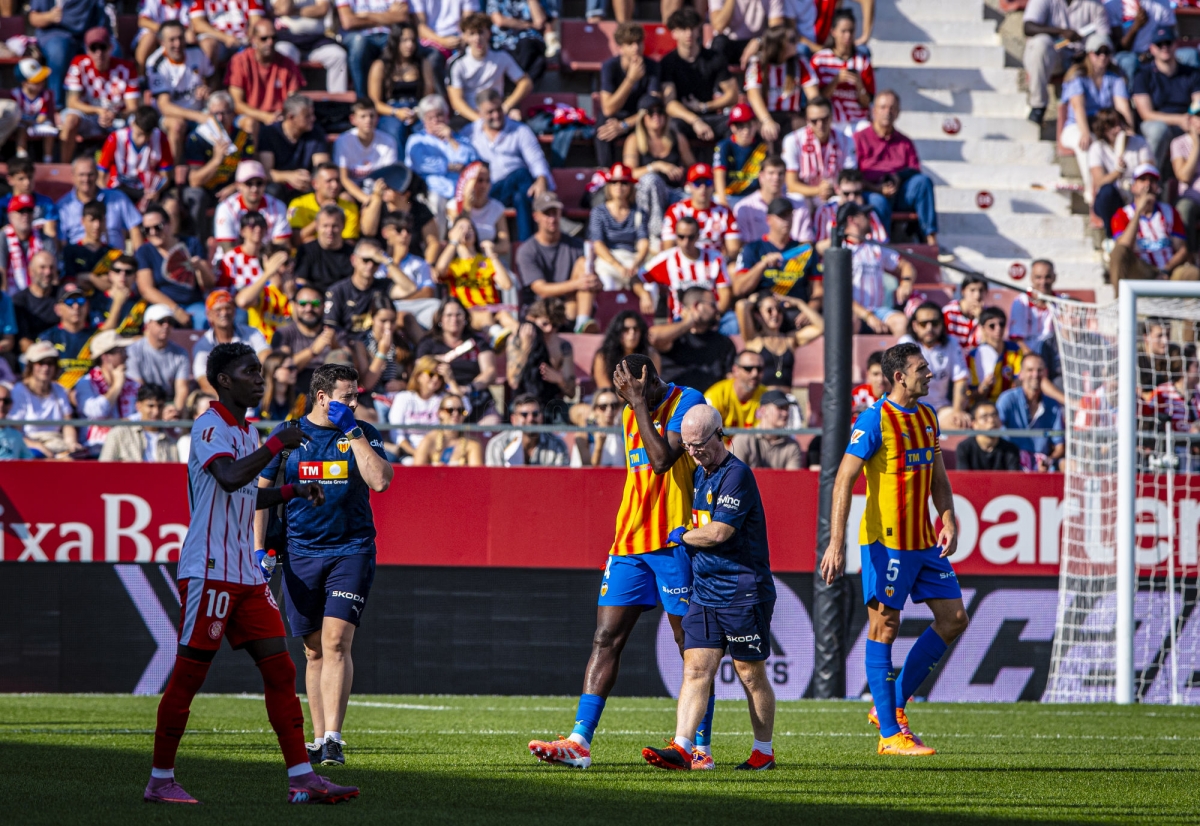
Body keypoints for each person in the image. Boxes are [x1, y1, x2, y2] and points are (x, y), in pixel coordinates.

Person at [143, 342, 356, 805]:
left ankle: (302, 777)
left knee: (280, 671)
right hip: (210, 570)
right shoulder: (208, 425)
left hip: (244, 572)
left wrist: (292, 491)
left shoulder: (247, 430)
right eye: (249, 371)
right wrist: (279, 444)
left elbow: (245, 495)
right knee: (189, 676)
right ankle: (160, 780)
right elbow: (228, 478)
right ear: (224, 380)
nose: (260, 378)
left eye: (260, 370)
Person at [527, 355, 706, 769]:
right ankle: (579, 741)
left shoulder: (687, 400)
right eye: (624, 390)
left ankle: (698, 747)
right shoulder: (629, 412)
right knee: (605, 639)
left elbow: (662, 462)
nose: (628, 396)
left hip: (675, 540)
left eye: (635, 386)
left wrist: (640, 404)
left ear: (651, 378)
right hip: (628, 542)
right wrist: (636, 405)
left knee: (691, 647)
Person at [821, 342, 969, 757]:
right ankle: (890, 733)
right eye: (922, 369)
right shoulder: (873, 420)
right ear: (899, 376)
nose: (930, 374)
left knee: (954, 618)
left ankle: (889, 705)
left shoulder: (927, 415)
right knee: (885, 626)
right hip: (886, 544)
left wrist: (948, 518)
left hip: (923, 541)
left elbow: (937, 475)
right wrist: (836, 544)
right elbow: (843, 480)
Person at [257, 362, 392, 766]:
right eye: (347, 395)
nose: (354, 401)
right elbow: (261, 492)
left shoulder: (362, 432)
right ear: (322, 396)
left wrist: (352, 428)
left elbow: (381, 481)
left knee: (336, 642)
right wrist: (257, 549)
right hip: (300, 553)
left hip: (351, 549)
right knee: (312, 650)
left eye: (356, 395)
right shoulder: (289, 433)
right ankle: (317, 738)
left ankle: (334, 737)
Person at [642, 403, 776, 772]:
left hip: (742, 589)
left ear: (720, 435)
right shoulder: (700, 471)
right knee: (696, 668)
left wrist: (682, 535)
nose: (692, 452)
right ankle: (683, 747)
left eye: (699, 444)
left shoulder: (737, 475)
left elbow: (720, 532)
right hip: (706, 589)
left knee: (751, 673)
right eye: (687, 446)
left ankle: (763, 751)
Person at [855, 90, 943, 256]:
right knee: (877, 202)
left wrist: (897, 178)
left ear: (898, 112)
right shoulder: (859, 139)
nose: (887, 112)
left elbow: (914, 169)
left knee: (923, 182)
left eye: (892, 108)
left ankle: (931, 240)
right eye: (883, 107)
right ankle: (884, 248)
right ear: (874, 111)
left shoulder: (905, 141)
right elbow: (853, 174)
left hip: (900, 193)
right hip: (871, 191)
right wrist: (877, 188)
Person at [465, 90, 553, 242]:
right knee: (521, 174)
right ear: (479, 113)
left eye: (499, 109)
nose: (497, 115)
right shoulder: (470, 133)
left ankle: (525, 245)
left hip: (514, 191)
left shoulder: (520, 130)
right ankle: (541, 216)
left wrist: (541, 179)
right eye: (490, 112)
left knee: (522, 196)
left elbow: (535, 157)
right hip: (487, 190)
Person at [1060, 33, 1133, 202]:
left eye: (1106, 52)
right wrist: (1085, 132)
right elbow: (1078, 107)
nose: (1103, 56)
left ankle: (1124, 193)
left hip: (1104, 128)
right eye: (1098, 52)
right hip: (1076, 126)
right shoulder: (1077, 76)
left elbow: (1123, 108)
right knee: (1088, 144)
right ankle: (1092, 193)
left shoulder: (1115, 78)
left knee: (1123, 141)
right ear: (1089, 53)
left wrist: (1129, 130)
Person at [1109, 163, 1200, 292]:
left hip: (1168, 270)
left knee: (1192, 273)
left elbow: (1182, 249)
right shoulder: (1122, 215)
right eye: (1142, 180)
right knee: (1118, 252)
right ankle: (1120, 306)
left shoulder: (1170, 212)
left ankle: (1187, 312)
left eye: (1152, 181)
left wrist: (1166, 270)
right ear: (1133, 187)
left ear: (1157, 187)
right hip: (1141, 270)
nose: (1147, 185)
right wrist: (1139, 211)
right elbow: (1124, 247)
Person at [182, 92, 257, 242]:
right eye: (216, 114)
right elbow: (194, 181)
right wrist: (216, 160)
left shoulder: (242, 137)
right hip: (206, 190)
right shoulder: (197, 138)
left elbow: (250, 173)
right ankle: (198, 244)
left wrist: (236, 187)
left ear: (233, 114)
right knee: (194, 195)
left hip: (232, 189)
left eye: (225, 113)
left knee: (253, 191)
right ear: (208, 115)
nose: (220, 119)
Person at [515, 193, 597, 328]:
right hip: (541, 308)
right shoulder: (526, 251)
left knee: (584, 263)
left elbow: (590, 281)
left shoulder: (576, 245)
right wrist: (577, 283)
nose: (552, 219)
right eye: (547, 214)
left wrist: (595, 282)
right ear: (536, 217)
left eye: (555, 213)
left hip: (571, 306)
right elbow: (541, 289)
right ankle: (579, 325)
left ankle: (582, 324)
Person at [59, 27, 141, 162]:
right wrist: (98, 111)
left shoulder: (127, 68)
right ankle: (63, 166)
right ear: (87, 50)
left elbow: (133, 107)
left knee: (137, 122)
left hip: (116, 119)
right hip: (88, 117)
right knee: (70, 120)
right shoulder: (79, 64)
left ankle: (133, 166)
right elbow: (72, 102)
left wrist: (115, 114)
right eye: (93, 48)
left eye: (102, 47)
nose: (99, 53)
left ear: (111, 48)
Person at [1022, 0, 1110, 125]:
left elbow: (1104, 37)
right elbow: (1028, 27)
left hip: (1084, 60)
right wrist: (1061, 31)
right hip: (1054, 58)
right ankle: (1038, 106)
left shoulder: (1095, 5)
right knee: (1040, 44)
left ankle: (1105, 112)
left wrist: (1088, 54)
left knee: (1103, 50)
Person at [660, 6, 739, 143]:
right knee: (673, 126)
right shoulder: (668, 63)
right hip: (684, 119)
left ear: (698, 30)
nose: (688, 33)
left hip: (710, 116)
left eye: (692, 28)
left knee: (734, 124)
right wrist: (695, 120)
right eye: (683, 29)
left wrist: (704, 106)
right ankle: (684, 164)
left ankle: (726, 163)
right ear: (674, 33)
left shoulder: (714, 58)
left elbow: (733, 95)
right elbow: (669, 103)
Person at [434, 215, 517, 343]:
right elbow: (439, 270)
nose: (466, 231)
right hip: (466, 313)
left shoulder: (486, 261)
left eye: (470, 228)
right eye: (461, 228)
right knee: (486, 316)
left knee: (513, 324)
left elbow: (506, 285)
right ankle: (495, 336)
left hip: (493, 310)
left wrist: (492, 254)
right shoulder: (453, 264)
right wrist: (453, 242)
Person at [414, 298, 500, 421]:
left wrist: (469, 388)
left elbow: (490, 372)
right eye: (449, 315)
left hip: (475, 396)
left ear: (465, 318)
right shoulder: (428, 343)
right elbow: (420, 367)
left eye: (458, 314)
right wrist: (440, 361)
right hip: (439, 399)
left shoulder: (477, 342)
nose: (454, 319)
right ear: (440, 319)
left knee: (492, 422)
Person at [627, 96, 697, 246]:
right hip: (645, 194)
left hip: (674, 191)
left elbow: (693, 167)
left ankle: (692, 239)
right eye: (651, 113)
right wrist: (656, 166)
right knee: (652, 180)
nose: (656, 116)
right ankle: (655, 235)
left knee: (696, 193)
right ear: (642, 117)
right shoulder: (634, 140)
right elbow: (629, 174)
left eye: (660, 112)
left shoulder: (676, 138)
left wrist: (689, 179)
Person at [1131, 25, 1200, 174]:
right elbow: (1146, 114)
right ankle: (1150, 179)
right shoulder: (1143, 75)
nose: (1164, 47)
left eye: (1168, 43)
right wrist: (1180, 119)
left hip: (1186, 124)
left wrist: (1194, 119)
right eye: (1159, 44)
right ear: (1152, 48)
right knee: (1158, 130)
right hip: (1156, 126)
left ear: (1175, 44)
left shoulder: (1191, 73)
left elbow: (1198, 103)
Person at [641, 215, 733, 325]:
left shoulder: (715, 259)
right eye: (681, 237)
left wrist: (713, 315)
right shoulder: (666, 259)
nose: (686, 242)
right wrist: (644, 294)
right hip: (681, 320)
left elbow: (725, 293)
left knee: (733, 323)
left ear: (698, 236)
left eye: (691, 237)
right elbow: (637, 277)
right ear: (675, 236)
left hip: (712, 317)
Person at [135, 205, 214, 331]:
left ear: (169, 224)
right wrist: (176, 310)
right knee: (158, 327)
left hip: (193, 304)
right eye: (146, 230)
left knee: (205, 321)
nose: (153, 232)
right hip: (162, 306)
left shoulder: (191, 244)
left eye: (158, 227)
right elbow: (146, 289)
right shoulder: (144, 251)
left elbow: (209, 283)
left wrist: (201, 268)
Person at [146, 21, 214, 164]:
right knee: (177, 125)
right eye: (172, 40)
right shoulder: (156, 63)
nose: (177, 44)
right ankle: (176, 174)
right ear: (161, 42)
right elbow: (164, 106)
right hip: (169, 116)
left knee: (221, 114)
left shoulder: (196, 52)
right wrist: (198, 116)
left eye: (180, 38)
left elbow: (213, 78)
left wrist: (208, 89)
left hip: (199, 110)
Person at [731, 196, 821, 305]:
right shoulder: (752, 249)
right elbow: (738, 289)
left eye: (789, 215)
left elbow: (818, 291)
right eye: (781, 215)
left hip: (796, 310)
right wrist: (762, 265)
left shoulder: (804, 250)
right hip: (765, 313)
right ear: (768, 220)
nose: (786, 220)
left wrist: (809, 310)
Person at [842, 202, 914, 337]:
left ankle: (899, 359)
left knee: (902, 322)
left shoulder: (875, 246)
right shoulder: (840, 250)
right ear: (851, 220)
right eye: (865, 215)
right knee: (849, 322)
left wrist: (906, 282)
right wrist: (867, 316)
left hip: (878, 310)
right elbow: (840, 294)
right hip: (852, 311)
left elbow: (906, 265)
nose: (870, 218)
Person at [596, 22, 661, 168]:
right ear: (620, 48)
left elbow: (653, 106)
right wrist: (630, 80)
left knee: (655, 119)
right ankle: (606, 172)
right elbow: (608, 108)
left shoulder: (652, 67)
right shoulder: (610, 67)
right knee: (603, 125)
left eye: (638, 43)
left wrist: (624, 125)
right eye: (630, 44)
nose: (635, 48)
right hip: (617, 116)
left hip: (640, 117)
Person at [405, 95, 480, 223]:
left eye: (439, 115)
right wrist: (449, 166)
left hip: (459, 191)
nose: (436, 120)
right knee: (436, 201)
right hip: (432, 190)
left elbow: (471, 161)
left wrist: (451, 139)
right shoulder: (417, 140)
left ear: (446, 116)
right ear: (424, 120)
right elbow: (422, 164)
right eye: (430, 118)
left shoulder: (460, 139)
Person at [447, 12, 532, 122]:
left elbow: (525, 83)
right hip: (468, 117)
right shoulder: (457, 64)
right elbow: (456, 101)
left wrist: (506, 106)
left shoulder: (502, 57)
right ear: (465, 37)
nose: (477, 38)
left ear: (489, 33)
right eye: (472, 34)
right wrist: (479, 120)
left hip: (496, 115)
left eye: (481, 32)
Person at [227, 19, 305, 139]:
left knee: (297, 121)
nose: (270, 42)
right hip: (249, 116)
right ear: (253, 39)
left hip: (279, 118)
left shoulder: (287, 63)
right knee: (250, 123)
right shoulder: (240, 61)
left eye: (274, 38)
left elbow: (293, 100)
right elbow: (236, 104)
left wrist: (281, 116)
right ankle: (251, 158)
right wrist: (265, 116)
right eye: (264, 39)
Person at [651, 286, 737, 392]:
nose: (717, 309)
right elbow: (652, 338)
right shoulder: (674, 337)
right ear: (696, 306)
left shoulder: (724, 342)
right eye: (713, 305)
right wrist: (687, 322)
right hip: (675, 402)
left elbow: (730, 377)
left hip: (710, 403)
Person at [900, 300, 970, 430]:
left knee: (962, 425)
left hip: (940, 408)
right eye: (923, 323)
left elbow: (960, 379)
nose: (929, 328)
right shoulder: (906, 344)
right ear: (915, 325)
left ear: (942, 324)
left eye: (935, 323)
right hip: (912, 407)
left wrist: (957, 411)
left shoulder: (952, 344)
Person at [28, 0, 110, 110]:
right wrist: (49, 16)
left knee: (111, 50)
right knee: (58, 52)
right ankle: (57, 108)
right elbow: (34, 18)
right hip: (56, 35)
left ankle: (111, 107)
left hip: (89, 34)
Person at [505, 297, 576, 423]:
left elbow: (571, 393)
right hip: (523, 403)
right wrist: (526, 347)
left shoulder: (562, 346)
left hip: (550, 403)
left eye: (554, 325)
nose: (549, 329)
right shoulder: (516, 341)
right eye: (544, 324)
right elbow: (514, 381)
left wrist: (559, 379)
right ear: (533, 320)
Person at [744, 26, 818, 144]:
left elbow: (813, 95)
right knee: (767, 132)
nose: (797, 43)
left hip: (792, 116)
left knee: (805, 130)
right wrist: (767, 120)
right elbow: (753, 95)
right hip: (765, 115)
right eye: (792, 40)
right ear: (779, 45)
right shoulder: (757, 64)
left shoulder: (800, 63)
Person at [735, 292, 824, 387]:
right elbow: (740, 305)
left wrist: (800, 303)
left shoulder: (790, 339)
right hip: (762, 398)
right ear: (758, 315)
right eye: (769, 310)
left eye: (779, 310)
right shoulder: (754, 339)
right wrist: (752, 301)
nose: (775, 314)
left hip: (786, 398)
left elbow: (822, 327)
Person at [588, 163, 652, 296]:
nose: (619, 186)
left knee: (651, 286)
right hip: (608, 259)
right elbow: (598, 244)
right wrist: (617, 266)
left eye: (624, 183)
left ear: (630, 187)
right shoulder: (599, 212)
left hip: (632, 257)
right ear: (608, 186)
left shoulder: (639, 212)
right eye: (614, 182)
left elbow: (643, 241)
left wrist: (636, 262)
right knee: (607, 284)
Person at [97, 105, 175, 212]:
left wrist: (157, 191)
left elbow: (165, 176)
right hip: (121, 188)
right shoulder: (116, 138)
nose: (142, 140)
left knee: (172, 206)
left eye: (147, 136)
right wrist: (106, 196)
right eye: (139, 134)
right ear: (132, 124)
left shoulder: (160, 138)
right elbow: (101, 176)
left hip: (149, 190)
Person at [193, 290, 272, 393]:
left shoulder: (252, 332)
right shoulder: (203, 344)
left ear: (234, 311)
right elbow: (203, 379)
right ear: (209, 315)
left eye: (228, 308)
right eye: (218, 309)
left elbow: (265, 356)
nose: (224, 313)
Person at [996, 354, 1066, 471]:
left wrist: (1048, 460)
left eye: (1039, 370)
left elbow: (1059, 446)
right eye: (1030, 370)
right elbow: (997, 433)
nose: (1035, 375)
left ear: (1046, 373)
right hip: (1011, 462)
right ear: (1021, 374)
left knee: (1068, 465)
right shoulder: (1006, 399)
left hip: (1043, 466)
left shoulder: (1053, 405)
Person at [56, 156, 143, 250]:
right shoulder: (63, 206)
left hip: (113, 259)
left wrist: (140, 261)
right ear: (73, 176)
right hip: (80, 260)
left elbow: (135, 229)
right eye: (81, 175)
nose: (86, 179)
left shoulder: (118, 198)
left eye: (90, 174)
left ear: (97, 175)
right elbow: (62, 243)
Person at [368, 22, 431, 151]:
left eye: (413, 40)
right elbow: (374, 102)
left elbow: (428, 97)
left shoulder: (423, 64)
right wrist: (396, 112)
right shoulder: (380, 66)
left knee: (422, 131)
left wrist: (418, 112)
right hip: (390, 110)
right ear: (395, 41)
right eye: (404, 40)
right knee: (395, 130)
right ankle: (400, 169)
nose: (410, 45)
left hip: (416, 109)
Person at [810, 9, 874, 135]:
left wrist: (859, 84)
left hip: (856, 121)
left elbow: (867, 102)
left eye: (851, 31)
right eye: (843, 31)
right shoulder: (820, 60)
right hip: (829, 121)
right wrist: (836, 81)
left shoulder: (863, 61)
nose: (848, 36)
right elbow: (815, 100)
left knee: (866, 130)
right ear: (833, 32)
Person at [324, 238, 404, 339]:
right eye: (365, 260)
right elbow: (330, 327)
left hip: (377, 341)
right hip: (349, 344)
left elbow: (410, 289)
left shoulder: (383, 285)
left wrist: (385, 260)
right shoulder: (337, 291)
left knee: (407, 317)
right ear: (353, 260)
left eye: (375, 261)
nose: (370, 265)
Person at [259, 95, 332, 205]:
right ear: (291, 117)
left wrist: (309, 179)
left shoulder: (316, 132)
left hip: (307, 184)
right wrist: (289, 176)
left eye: (312, 114)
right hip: (280, 186)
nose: (313, 118)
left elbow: (322, 167)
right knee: (272, 190)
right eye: (307, 116)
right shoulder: (269, 133)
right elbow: (266, 172)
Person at [12, 340, 79, 458]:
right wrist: (38, 446)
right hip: (29, 445)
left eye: (50, 363)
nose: (46, 367)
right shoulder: (19, 390)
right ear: (31, 366)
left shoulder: (59, 389)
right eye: (40, 363)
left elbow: (68, 424)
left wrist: (71, 443)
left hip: (56, 442)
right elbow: (15, 431)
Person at [783, 96, 857, 202]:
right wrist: (819, 190)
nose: (820, 124)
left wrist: (830, 190)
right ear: (807, 120)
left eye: (824, 119)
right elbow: (791, 185)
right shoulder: (792, 140)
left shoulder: (846, 141)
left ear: (831, 117)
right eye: (814, 121)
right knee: (796, 199)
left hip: (834, 194)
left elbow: (850, 178)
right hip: (805, 195)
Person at [272, 285, 344, 392]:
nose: (309, 309)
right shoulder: (283, 334)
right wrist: (312, 351)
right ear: (295, 306)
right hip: (294, 394)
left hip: (331, 393)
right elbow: (279, 371)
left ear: (324, 306)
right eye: (303, 304)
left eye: (315, 304)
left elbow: (353, 369)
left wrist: (335, 345)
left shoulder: (336, 333)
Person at [74, 328, 137, 447]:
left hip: (129, 445)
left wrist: (122, 423)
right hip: (96, 446)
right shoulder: (85, 383)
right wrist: (116, 386)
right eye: (121, 352)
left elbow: (143, 414)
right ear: (106, 357)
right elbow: (95, 413)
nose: (126, 356)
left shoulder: (132, 384)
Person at [662, 164, 740, 260]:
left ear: (713, 186)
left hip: (715, 263)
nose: (703, 188)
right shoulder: (675, 211)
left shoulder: (725, 213)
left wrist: (720, 261)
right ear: (689, 186)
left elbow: (733, 249)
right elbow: (668, 248)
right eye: (697, 183)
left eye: (707, 183)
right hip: (684, 264)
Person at [214, 160, 293, 254]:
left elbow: (280, 246)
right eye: (249, 183)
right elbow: (227, 249)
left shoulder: (278, 207)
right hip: (232, 263)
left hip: (266, 262)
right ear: (238, 185)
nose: (254, 188)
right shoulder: (225, 208)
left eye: (259, 183)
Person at [336, 0, 410, 99]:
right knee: (359, 43)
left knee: (398, 42)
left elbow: (401, 17)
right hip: (358, 37)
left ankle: (392, 99)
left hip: (387, 35)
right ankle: (362, 102)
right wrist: (387, 16)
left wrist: (366, 15)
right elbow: (349, 22)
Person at [273, 0, 349, 95]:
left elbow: (322, 9)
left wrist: (295, 11)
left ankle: (338, 104)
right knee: (284, 53)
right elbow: (284, 9)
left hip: (316, 40)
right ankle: (288, 101)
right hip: (288, 40)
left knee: (338, 55)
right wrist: (306, 11)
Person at [732, 154, 812, 243]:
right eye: (771, 173)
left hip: (793, 256)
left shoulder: (799, 207)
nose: (776, 178)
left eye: (780, 173)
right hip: (756, 255)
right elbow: (742, 245)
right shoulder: (744, 208)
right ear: (761, 176)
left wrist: (783, 256)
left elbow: (806, 243)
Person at [127, 304, 194, 410]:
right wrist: (154, 411)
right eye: (161, 321)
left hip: (168, 404)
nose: (166, 325)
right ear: (148, 324)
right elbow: (137, 388)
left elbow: (182, 389)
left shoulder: (181, 353)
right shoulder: (133, 351)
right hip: (143, 405)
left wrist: (174, 412)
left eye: (170, 322)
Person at [334, 98, 400, 206]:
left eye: (372, 116)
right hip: (353, 193)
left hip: (379, 192)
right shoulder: (343, 141)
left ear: (377, 118)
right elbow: (344, 178)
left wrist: (375, 198)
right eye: (363, 116)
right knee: (344, 198)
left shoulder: (388, 141)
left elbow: (389, 176)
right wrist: (364, 198)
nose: (368, 120)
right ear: (353, 119)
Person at [37, 282, 99, 390]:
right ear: (58, 309)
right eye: (70, 302)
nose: (76, 306)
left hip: (92, 393)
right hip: (58, 394)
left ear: (87, 306)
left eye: (81, 301)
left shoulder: (98, 337)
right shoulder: (47, 338)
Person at [100, 382, 182, 462]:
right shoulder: (119, 434)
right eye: (150, 406)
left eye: (160, 406)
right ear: (138, 406)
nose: (156, 411)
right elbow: (103, 469)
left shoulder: (171, 440)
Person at [814, 168, 889, 251]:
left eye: (857, 193)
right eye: (847, 193)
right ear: (837, 189)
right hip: (835, 260)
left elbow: (882, 245)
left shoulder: (868, 212)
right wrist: (844, 234)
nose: (852, 198)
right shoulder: (825, 211)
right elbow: (818, 248)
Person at [235, 241, 296, 342]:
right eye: (285, 263)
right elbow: (242, 301)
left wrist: (292, 297)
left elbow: (301, 324)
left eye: (291, 261)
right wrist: (268, 273)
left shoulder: (298, 290)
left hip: (290, 347)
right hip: (263, 348)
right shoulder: (262, 291)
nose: (290, 266)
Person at [484, 393, 569, 466]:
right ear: (513, 419)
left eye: (535, 414)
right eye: (524, 414)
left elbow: (561, 481)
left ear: (542, 417)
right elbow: (495, 481)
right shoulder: (498, 445)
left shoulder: (558, 445)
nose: (530, 419)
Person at [447, 161, 510, 256]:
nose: (484, 185)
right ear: (468, 183)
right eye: (479, 180)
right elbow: (460, 230)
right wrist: (467, 204)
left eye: (487, 181)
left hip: (487, 261)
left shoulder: (497, 207)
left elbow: (504, 245)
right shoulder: (453, 205)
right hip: (461, 261)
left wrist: (485, 249)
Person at [730, 388, 804, 468]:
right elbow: (735, 476)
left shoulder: (792, 446)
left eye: (787, 408)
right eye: (780, 408)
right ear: (763, 411)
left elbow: (793, 479)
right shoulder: (743, 440)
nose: (785, 413)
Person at [715, 104, 770, 206]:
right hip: (729, 196)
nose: (745, 131)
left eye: (749, 125)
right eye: (740, 126)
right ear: (732, 127)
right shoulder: (723, 146)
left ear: (756, 124)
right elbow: (719, 175)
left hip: (754, 197)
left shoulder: (763, 147)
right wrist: (723, 202)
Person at [967, 306, 1023, 405]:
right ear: (983, 328)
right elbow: (970, 395)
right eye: (992, 326)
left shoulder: (1015, 350)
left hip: (1009, 404)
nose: (998, 329)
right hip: (983, 404)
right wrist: (984, 386)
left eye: (1001, 324)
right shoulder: (973, 356)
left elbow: (1019, 381)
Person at [486, 0, 552, 83]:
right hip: (504, 43)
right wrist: (528, 25)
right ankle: (521, 85)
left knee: (536, 57)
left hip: (529, 43)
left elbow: (539, 21)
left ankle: (521, 86)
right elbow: (500, 21)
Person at [592, 310, 661, 390]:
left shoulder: (651, 355)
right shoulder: (603, 356)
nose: (632, 333)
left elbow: (654, 386)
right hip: (613, 400)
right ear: (617, 332)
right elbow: (605, 389)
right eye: (626, 329)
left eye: (636, 329)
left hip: (644, 399)